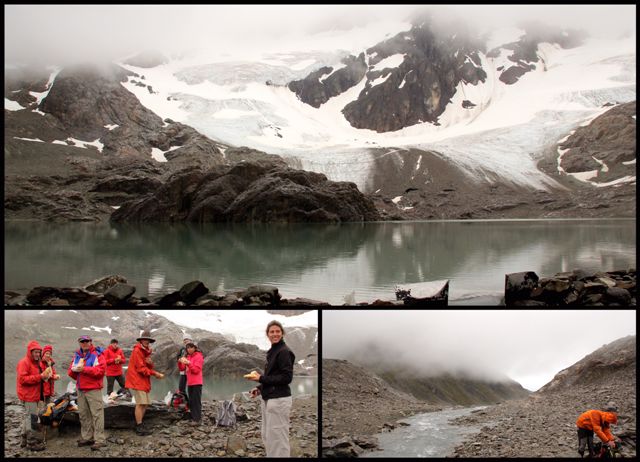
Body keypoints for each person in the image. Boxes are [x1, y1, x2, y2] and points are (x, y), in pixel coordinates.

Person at [247, 320, 295, 458]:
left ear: (282, 333)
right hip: (270, 398)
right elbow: (273, 376)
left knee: (278, 438)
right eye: (272, 332)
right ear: (267, 334)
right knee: (268, 435)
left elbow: (286, 378)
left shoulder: (284, 352)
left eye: (277, 331)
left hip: (279, 399)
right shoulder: (273, 351)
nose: (275, 334)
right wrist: (260, 388)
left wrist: (261, 378)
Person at [67, 335, 106, 451]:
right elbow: (72, 371)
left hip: (93, 389)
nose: (84, 343)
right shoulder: (77, 355)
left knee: (97, 414)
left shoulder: (98, 354)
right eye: (82, 341)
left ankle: (100, 440)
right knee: (84, 414)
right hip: (80, 389)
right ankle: (87, 437)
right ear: (79, 343)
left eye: (86, 341)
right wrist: (73, 371)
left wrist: (84, 369)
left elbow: (101, 371)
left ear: (90, 342)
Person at [125, 330, 164, 436]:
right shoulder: (137, 351)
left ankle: (140, 423)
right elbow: (141, 369)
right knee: (140, 403)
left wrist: (151, 365)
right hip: (137, 379)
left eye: (148, 340)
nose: (146, 341)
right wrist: (155, 373)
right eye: (145, 339)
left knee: (145, 403)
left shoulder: (145, 351)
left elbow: (145, 366)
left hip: (143, 380)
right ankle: (138, 426)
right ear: (141, 340)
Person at [16, 340, 48, 451]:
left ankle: (24, 440)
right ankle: (31, 443)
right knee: (32, 419)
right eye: (35, 352)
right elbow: (22, 379)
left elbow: (38, 376)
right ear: (30, 352)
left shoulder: (37, 363)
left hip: (35, 395)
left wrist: (44, 377)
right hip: (28, 395)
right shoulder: (24, 362)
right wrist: (40, 377)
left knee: (28, 417)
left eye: (39, 352)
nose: (37, 354)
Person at [179, 341, 204, 424]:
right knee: (192, 400)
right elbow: (182, 369)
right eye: (188, 348)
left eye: (191, 347)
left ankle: (197, 419)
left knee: (196, 401)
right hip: (190, 382)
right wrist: (180, 362)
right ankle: (194, 417)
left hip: (197, 382)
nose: (189, 349)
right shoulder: (188, 357)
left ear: (195, 348)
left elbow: (196, 370)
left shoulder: (199, 356)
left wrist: (188, 363)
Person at [177, 334, 192, 402]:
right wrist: (180, 359)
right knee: (181, 387)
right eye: (184, 340)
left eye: (187, 340)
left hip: (191, 370)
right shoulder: (182, 349)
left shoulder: (193, 349)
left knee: (191, 387)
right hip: (183, 371)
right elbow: (178, 357)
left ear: (190, 340)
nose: (186, 341)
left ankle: (191, 401)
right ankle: (185, 401)